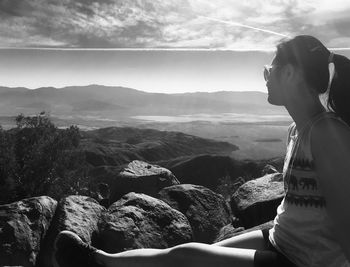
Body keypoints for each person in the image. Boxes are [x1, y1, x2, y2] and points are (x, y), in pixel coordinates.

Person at [53, 35, 350, 267]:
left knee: (187, 258)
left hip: (303, 261)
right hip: (280, 240)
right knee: (190, 257)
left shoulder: (326, 133)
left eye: (268, 71)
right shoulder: (296, 130)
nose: (266, 79)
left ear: (291, 74)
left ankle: (101, 261)